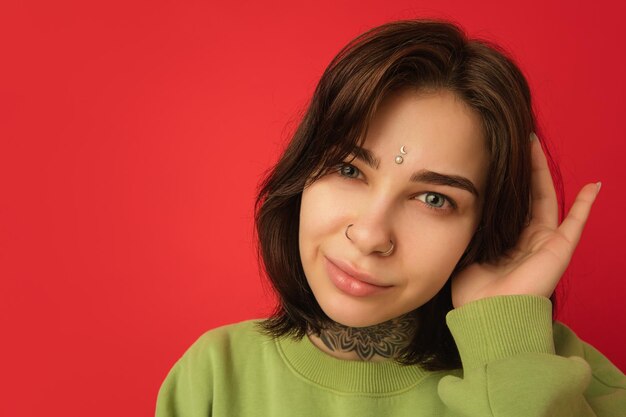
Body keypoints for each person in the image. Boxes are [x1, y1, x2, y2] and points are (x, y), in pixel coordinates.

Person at [155, 19, 626, 416]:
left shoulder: (570, 379)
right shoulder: (214, 378)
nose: (369, 235)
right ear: (302, 172)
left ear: (485, 224)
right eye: (348, 169)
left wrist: (507, 350)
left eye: (434, 199)